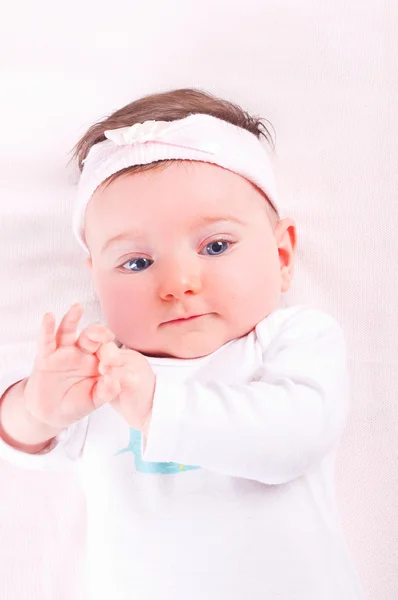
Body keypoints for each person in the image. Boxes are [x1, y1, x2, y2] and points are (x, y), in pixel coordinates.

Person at [0, 88, 364, 599]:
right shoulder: (102, 374)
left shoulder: (291, 340)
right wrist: (36, 409)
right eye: (137, 263)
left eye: (216, 246)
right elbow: (24, 444)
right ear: (96, 280)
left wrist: (156, 405)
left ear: (282, 256)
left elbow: (296, 437)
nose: (178, 283)